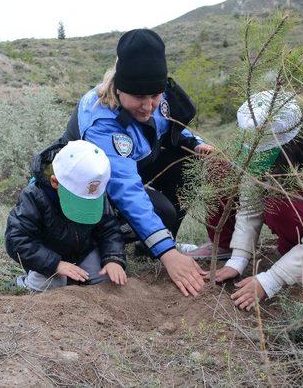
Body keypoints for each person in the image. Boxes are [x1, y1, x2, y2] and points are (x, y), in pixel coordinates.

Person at [59, 29, 213, 297]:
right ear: (119, 90)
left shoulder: (157, 97)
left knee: (189, 161)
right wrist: (168, 254)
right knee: (163, 212)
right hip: (92, 184)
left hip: (137, 160)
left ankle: (153, 245)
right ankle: (113, 240)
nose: (148, 105)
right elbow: (125, 187)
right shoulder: (100, 120)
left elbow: (172, 126)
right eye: (140, 98)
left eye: (154, 96)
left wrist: (195, 143)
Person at [187, 91, 303, 310]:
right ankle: (224, 246)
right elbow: (249, 208)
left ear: (288, 147)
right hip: (287, 205)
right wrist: (238, 259)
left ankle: (295, 256)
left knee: (279, 202)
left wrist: (271, 280)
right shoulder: (259, 149)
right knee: (221, 167)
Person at [5, 140, 127, 291]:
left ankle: (75, 278)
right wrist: (55, 264)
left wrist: (113, 258)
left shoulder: (94, 189)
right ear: (55, 182)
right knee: (52, 284)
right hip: (47, 257)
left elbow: (109, 229)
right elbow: (16, 240)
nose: (85, 204)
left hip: (83, 252)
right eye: (78, 199)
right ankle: (24, 283)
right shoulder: (34, 197)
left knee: (106, 277)